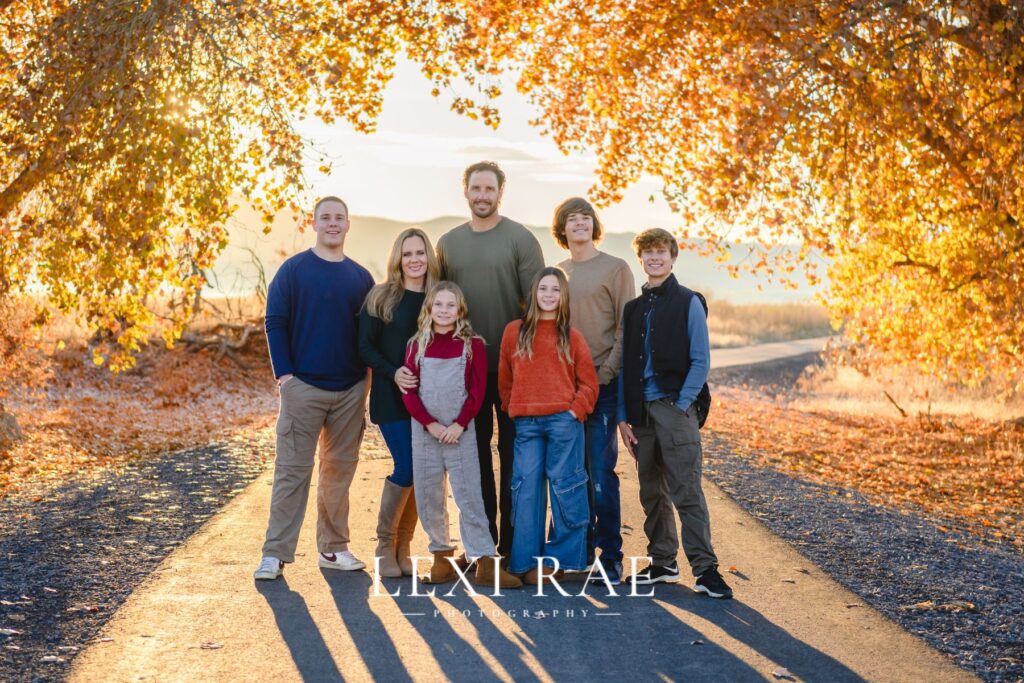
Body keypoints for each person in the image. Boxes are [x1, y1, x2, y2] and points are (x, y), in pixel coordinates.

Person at [255, 196, 375, 581]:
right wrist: (285, 377)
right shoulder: (293, 271)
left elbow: (370, 335)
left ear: (348, 224)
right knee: (292, 471)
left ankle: (334, 549)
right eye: (326, 218)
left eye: (340, 217)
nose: (333, 224)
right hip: (302, 387)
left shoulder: (361, 278)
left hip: (349, 390)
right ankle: (275, 554)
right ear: (314, 224)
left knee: (338, 474)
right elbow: (275, 322)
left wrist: (367, 383)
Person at [616, 228, 733, 599]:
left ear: (673, 256)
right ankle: (662, 563)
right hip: (641, 416)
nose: (654, 258)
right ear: (640, 259)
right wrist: (623, 417)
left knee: (687, 492)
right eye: (647, 253)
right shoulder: (633, 309)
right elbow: (623, 368)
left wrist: (682, 405)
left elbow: (701, 361)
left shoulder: (688, 302)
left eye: (661, 252)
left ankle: (706, 570)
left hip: (675, 409)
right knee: (652, 492)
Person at [436, 161, 544, 558]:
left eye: (490, 189)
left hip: (515, 367)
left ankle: (516, 546)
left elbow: (538, 306)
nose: (482, 196)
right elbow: (438, 305)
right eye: (476, 188)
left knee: (516, 455)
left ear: (501, 192)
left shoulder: (520, 239)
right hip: (465, 369)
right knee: (473, 457)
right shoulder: (448, 243)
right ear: (465, 191)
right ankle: (481, 546)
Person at [402, 282, 522, 588]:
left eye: (450, 305)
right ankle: (441, 558)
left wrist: (459, 424)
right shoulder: (417, 345)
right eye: (438, 305)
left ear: (460, 310)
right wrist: (430, 424)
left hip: (460, 431)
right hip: (426, 431)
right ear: (429, 308)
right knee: (429, 494)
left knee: (469, 494)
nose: (444, 311)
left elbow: (478, 391)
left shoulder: (473, 345)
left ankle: (484, 561)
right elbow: (409, 392)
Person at [552, 197, 635, 585]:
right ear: (563, 230)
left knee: (601, 472)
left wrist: (607, 373)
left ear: (594, 226)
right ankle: (576, 550)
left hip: (603, 385)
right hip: (564, 390)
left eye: (586, 218)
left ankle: (611, 555)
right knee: (570, 472)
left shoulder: (615, 269)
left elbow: (626, 328)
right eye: (572, 219)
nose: (580, 224)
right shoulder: (558, 273)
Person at [499, 267, 598, 583]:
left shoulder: (571, 336)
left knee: (565, 487)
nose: (549, 295)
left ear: (563, 295)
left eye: (555, 289)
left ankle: (561, 561)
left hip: (563, 423)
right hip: (527, 424)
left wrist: (574, 412)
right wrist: (512, 407)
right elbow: (505, 379)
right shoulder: (515, 331)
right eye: (543, 288)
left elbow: (589, 384)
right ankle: (524, 563)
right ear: (534, 293)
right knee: (525, 490)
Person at [358, 228, 438, 578]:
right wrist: (394, 373)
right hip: (391, 396)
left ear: (429, 257)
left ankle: (404, 548)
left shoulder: (439, 298)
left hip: (430, 399)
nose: (415, 259)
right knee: (405, 466)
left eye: (420, 252)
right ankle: (383, 545)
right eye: (407, 254)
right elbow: (364, 347)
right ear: (398, 258)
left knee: (422, 474)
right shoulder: (381, 297)